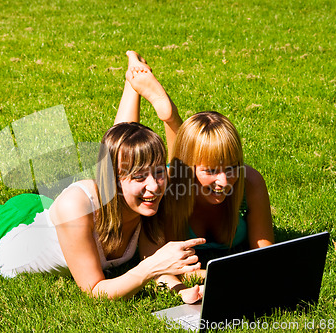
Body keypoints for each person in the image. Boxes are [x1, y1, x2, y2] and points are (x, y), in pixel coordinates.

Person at [0, 62, 206, 300]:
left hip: (40, 213)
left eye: (158, 172)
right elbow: (95, 290)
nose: (153, 186)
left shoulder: (146, 203)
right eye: (139, 177)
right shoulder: (80, 204)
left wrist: (184, 289)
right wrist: (150, 268)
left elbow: (158, 264)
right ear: (112, 178)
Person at [118, 51, 275, 303]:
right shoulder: (162, 192)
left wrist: (206, 274)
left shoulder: (249, 182)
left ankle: (158, 104)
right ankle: (140, 92)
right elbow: (158, 265)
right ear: (192, 170)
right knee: (122, 160)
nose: (225, 181)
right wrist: (225, 275)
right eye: (211, 170)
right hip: (177, 177)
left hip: (182, 172)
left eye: (232, 167)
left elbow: (266, 259)